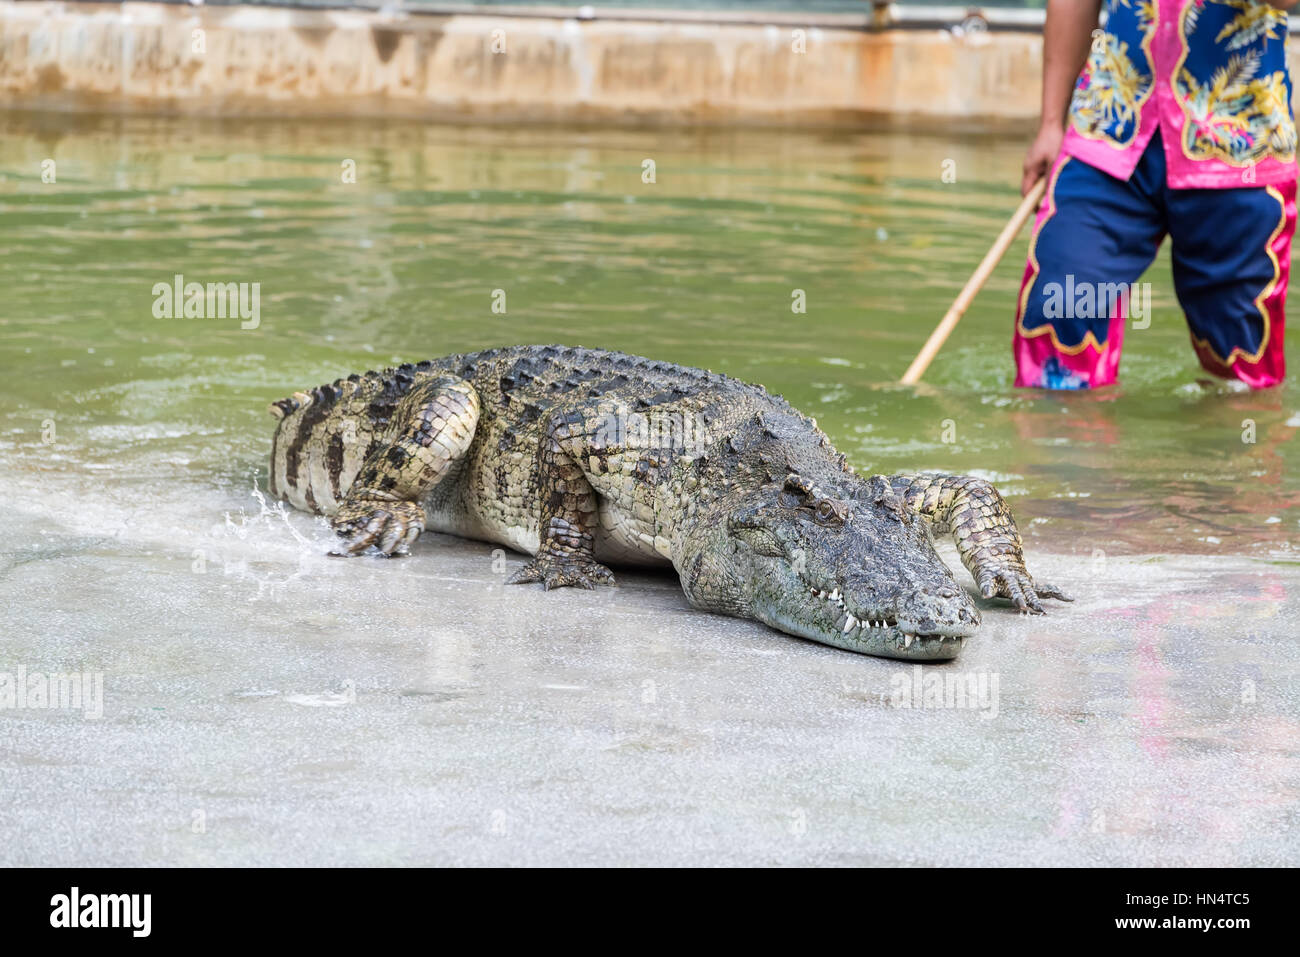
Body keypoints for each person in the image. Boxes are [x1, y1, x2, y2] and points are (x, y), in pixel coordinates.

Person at [1015, 0, 1298, 389]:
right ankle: (1057, 443)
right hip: (1108, 129)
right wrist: (1050, 122)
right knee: (1060, 305)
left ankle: (1223, 444)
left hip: (1237, 149)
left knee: (1239, 369)